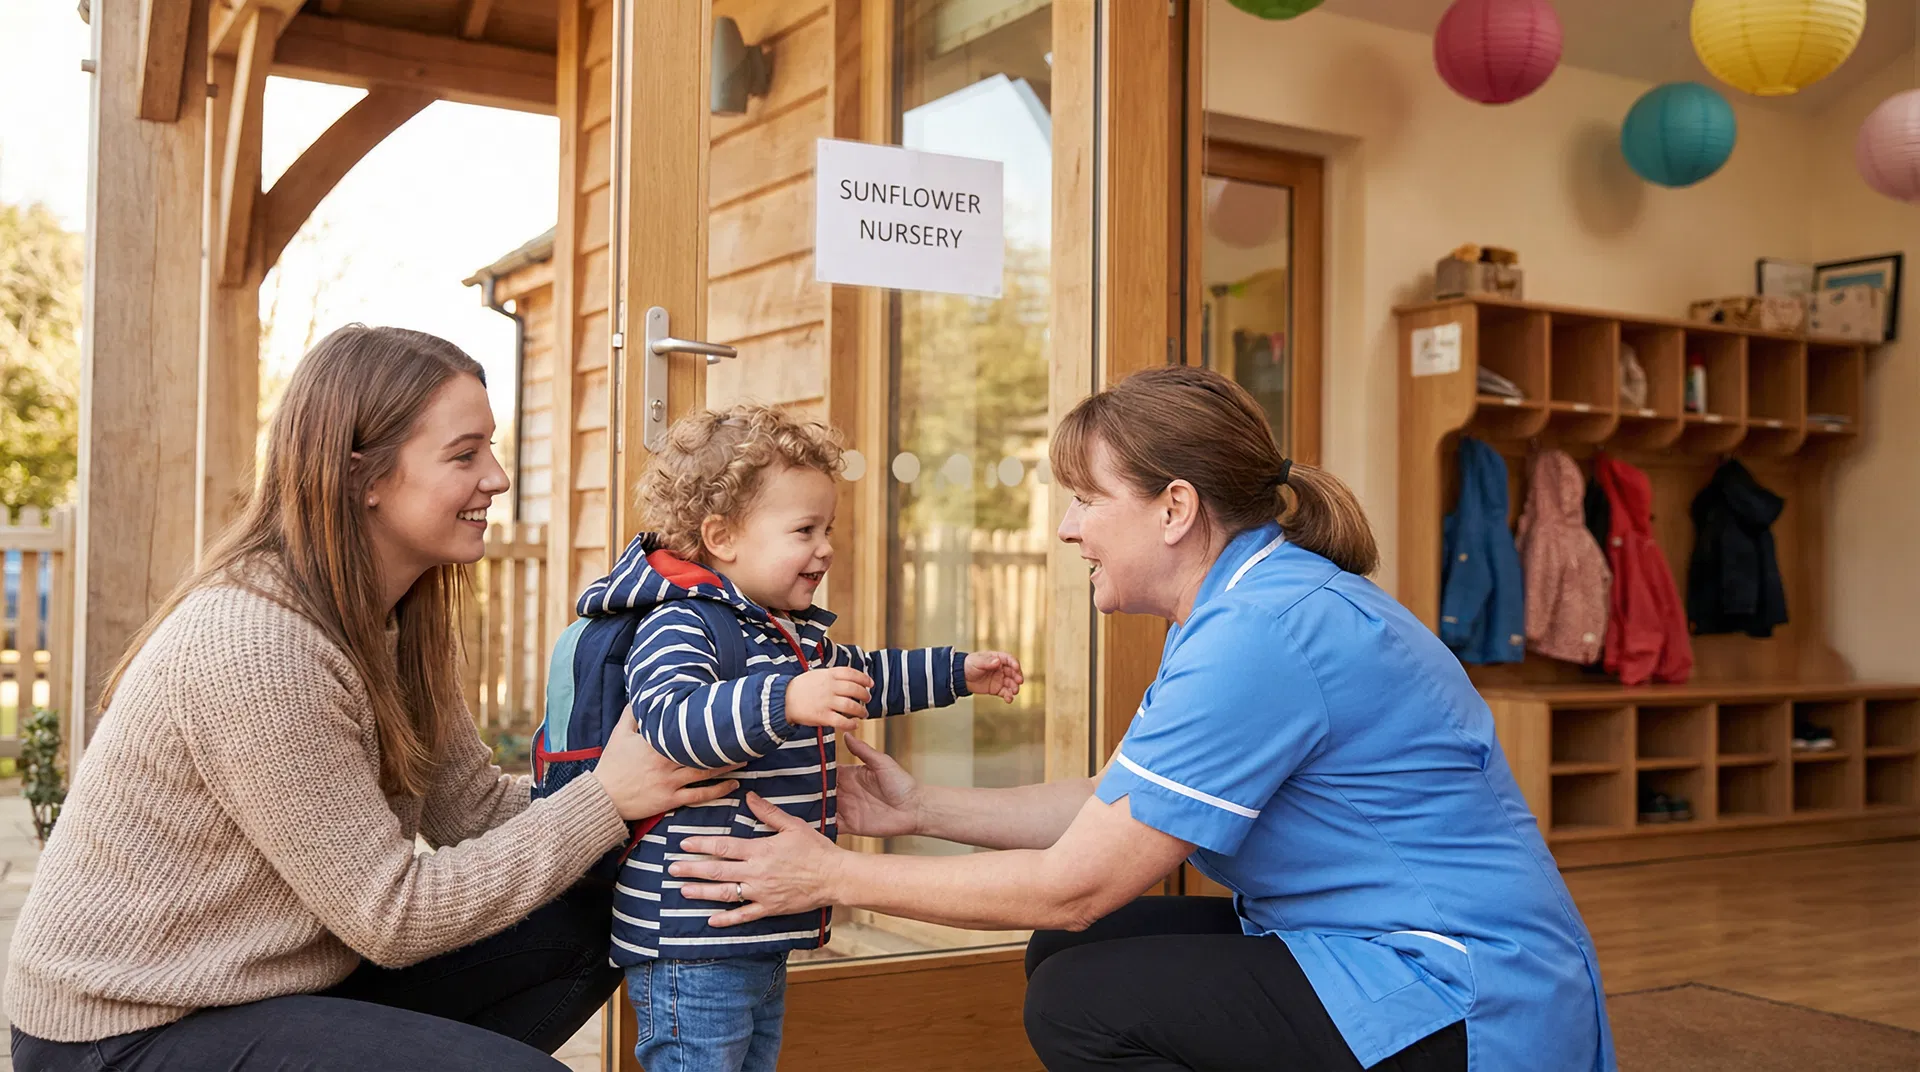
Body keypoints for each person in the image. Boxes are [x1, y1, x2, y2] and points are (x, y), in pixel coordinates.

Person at [662, 367, 1617, 1071]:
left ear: (1175, 508)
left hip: (1464, 994)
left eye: (1086, 500)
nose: (1070, 529)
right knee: (1080, 954)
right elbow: (1119, 808)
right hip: (1372, 944)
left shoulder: (1261, 635)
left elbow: (1076, 882)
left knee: (1084, 996)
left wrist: (830, 873)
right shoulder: (1245, 602)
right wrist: (917, 809)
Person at [5, 326, 737, 1071]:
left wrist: (674, 800)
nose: (498, 477)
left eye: (491, 447)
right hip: (123, 1030)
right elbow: (392, 915)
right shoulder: (259, 644)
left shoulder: (396, 616)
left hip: (280, 985)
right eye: (465, 454)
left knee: (599, 902)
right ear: (366, 478)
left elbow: (473, 811)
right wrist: (604, 799)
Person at [568, 403, 1023, 1072]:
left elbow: (866, 676)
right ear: (722, 537)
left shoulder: (785, 632)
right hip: (692, 931)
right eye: (805, 530)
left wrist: (957, 673)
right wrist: (784, 699)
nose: (827, 547)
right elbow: (671, 724)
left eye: (828, 527)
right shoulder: (681, 622)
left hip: (757, 925)